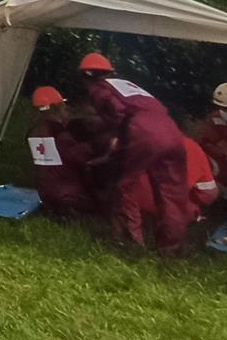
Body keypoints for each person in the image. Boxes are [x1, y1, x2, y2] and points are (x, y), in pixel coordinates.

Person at [80, 52, 189, 254]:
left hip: (143, 133)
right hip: (172, 132)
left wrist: (117, 140)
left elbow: (118, 114)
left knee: (124, 186)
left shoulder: (100, 89)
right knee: (171, 189)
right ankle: (171, 244)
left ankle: (130, 241)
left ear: (86, 76)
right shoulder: (128, 85)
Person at [26, 86, 104, 218]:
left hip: (44, 193)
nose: (66, 108)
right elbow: (83, 160)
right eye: (63, 105)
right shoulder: (62, 136)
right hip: (67, 196)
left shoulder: (33, 133)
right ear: (56, 108)